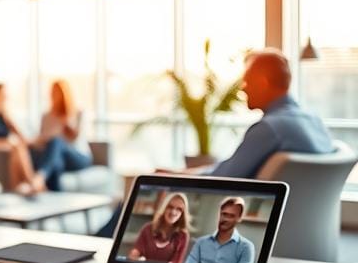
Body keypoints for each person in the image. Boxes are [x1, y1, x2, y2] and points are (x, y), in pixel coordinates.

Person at [97, 48, 334, 237]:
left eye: (247, 80)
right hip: (302, 232)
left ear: (263, 80)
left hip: (239, 216)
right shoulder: (314, 123)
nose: (243, 88)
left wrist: (175, 176)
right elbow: (230, 170)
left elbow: (222, 179)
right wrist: (183, 172)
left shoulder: (270, 129)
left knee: (146, 185)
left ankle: (98, 246)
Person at [0, 84, 45, 194]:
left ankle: (21, 186)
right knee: (16, 146)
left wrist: (33, 141)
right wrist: (8, 143)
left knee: (18, 146)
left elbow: (19, 134)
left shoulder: (2, 115)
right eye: (2, 94)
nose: (5, 97)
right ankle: (30, 181)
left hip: (7, 149)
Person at [30, 80, 93, 191]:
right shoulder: (46, 116)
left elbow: (75, 138)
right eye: (52, 93)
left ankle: (40, 176)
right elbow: (41, 138)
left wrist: (65, 123)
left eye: (57, 93)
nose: (54, 96)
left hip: (78, 156)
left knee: (56, 142)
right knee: (56, 162)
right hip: (57, 156)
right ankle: (57, 203)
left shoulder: (77, 113)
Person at [184, 197, 255, 263]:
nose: (225, 219)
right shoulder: (201, 242)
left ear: (239, 218)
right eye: (224, 214)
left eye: (231, 216)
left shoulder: (246, 247)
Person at [127, 192, 191, 263]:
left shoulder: (183, 236)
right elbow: (134, 253)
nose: (173, 212)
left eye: (179, 209)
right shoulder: (148, 228)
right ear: (164, 208)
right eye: (170, 207)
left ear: (182, 214)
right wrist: (136, 258)